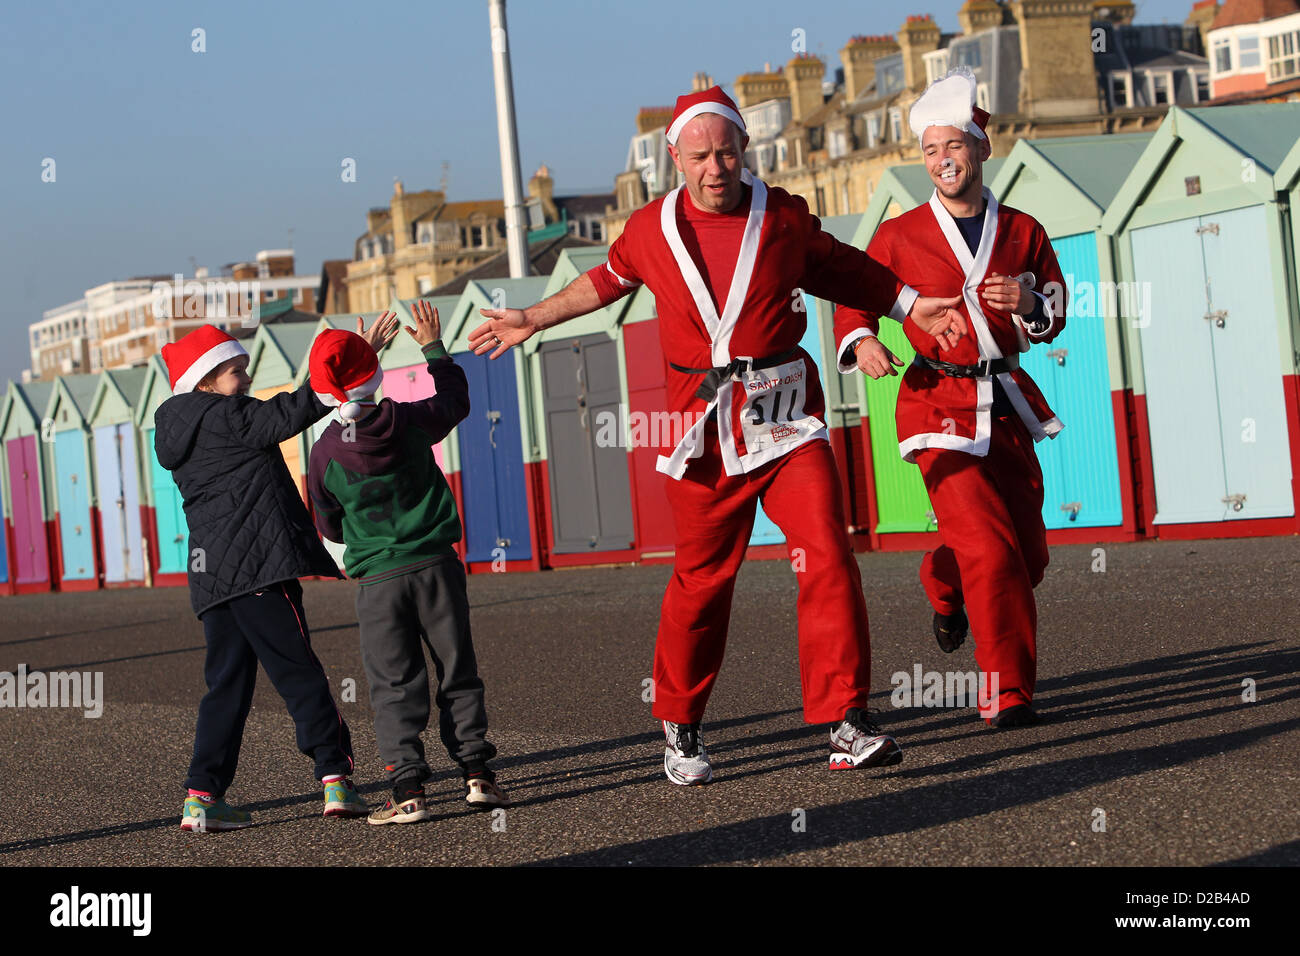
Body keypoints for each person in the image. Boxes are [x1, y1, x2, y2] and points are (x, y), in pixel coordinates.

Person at [470, 86, 967, 783]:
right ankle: (680, 721)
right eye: (700, 156)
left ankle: (845, 718)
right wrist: (534, 319)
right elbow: (604, 283)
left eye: (727, 153)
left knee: (827, 551)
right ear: (675, 157)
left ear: (745, 151)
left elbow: (842, 268)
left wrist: (912, 302)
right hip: (705, 426)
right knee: (704, 581)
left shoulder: (784, 217)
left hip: (789, 417)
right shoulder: (649, 230)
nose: (715, 168)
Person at [833, 69, 1067, 728]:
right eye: (931, 150)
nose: (943, 161)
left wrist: (1031, 303)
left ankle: (943, 577)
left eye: (954, 147)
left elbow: (1054, 303)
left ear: (981, 149)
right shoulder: (899, 237)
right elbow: (856, 295)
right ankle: (1007, 691)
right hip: (935, 405)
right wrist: (860, 340)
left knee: (1029, 554)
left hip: (1007, 400)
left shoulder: (1022, 231)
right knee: (992, 554)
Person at [156, 316, 397, 831]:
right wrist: (353, 354)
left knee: (226, 685)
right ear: (205, 380)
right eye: (234, 370)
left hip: (215, 580)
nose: (244, 378)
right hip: (261, 567)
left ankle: (201, 798)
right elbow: (298, 408)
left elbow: (283, 410)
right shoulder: (228, 416)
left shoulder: (178, 432)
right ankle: (336, 779)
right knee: (298, 671)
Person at [307, 299, 508, 823]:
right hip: (437, 564)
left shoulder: (326, 452)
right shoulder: (410, 420)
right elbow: (456, 399)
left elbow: (327, 523)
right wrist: (432, 349)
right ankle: (478, 776)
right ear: (376, 377)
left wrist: (357, 357)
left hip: (378, 579)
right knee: (457, 670)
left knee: (394, 683)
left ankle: (407, 791)